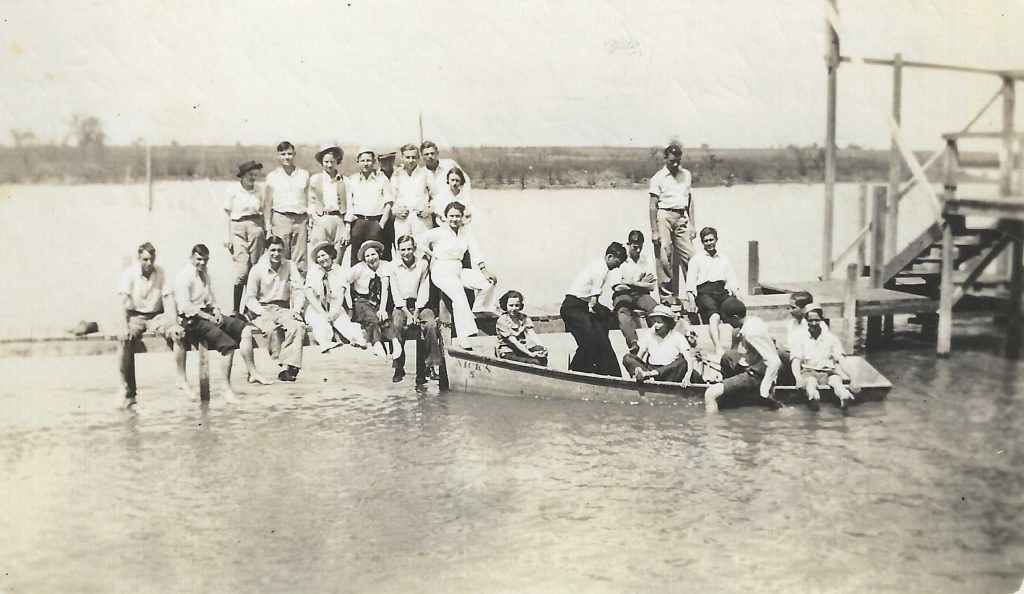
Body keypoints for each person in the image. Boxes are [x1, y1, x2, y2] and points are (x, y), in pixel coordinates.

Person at [175, 244, 268, 403]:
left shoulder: (205, 275)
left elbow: (211, 300)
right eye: (199, 259)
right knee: (228, 345)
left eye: (205, 260)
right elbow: (185, 307)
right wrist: (208, 317)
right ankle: (225, 389)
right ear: (191, 258)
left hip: (207, 314)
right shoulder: (184, 277)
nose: (202, 263)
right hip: (191, 320)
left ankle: (252, 372)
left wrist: (216, 311)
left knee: (244, 329)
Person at [116, 242, 187, 407]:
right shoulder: (129, 274)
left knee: (178, 333)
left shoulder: (161, 272)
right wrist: (123, 327)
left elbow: (168, 299)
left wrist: (174, 324)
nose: (149, 263)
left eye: (151, 259)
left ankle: (181, 379)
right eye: (145, 260)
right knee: (124, 341)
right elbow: (122, 302)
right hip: (135, 317)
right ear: (139, 258)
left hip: (156, 316)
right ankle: (125, 387)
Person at [421, 201, 498, 350]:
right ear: (445, 217)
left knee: (487, 283)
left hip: (458, 269)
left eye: (457, 216)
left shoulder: (466, 232)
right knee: (459, 297)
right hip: (441, 270)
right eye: (451, 216)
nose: (454, 219)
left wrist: (484, 270)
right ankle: (464, 337)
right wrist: (431, 255)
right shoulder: (439, 232)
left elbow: (476, 251)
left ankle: (477, 310)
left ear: (462, 217)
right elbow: (419, 241)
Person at [243, 236, 306, 382]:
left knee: (298, 326)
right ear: (266, 251)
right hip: (263, 307)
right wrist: (261, 312)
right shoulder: (257, 269)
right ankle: (285, 365)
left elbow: (299, 289)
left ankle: (289, 366)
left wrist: (296, 310)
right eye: (272, 250)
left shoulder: (289, 265)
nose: (276, 254)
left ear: (283, 251)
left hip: (283, 307)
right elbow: (250, 298)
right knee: (271, 329)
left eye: (279, 250)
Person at [704, 297, 782, 413]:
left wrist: (764, 390)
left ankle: (712, 428)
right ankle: (728, 389)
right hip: (753, 364)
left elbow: (774, 362)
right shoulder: (754, 321)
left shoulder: (751, 333)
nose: (725, 323)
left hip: (756, 375)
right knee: (727, 356)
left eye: (727, 319)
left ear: (735, 317)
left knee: (710, 394)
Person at [560, 242, 627, 376]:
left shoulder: (597, 264)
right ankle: (575, 372)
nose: (618, 266)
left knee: (598, 337)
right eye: (617, 262)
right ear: (609, 256)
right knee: (590, 341)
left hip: (578, 307)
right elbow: (594, 304)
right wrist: (608, 313)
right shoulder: (601, 271)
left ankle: (597, 370)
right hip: (572, 308)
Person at [389, 235, 442, 383]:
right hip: (401, 306)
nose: (406, 252)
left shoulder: (422, 264)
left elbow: (424, 289)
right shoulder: (393, 266)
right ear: (398, 250)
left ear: (414, 248)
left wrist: (417, 312)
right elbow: (395, 293)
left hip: (420, 305)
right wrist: (407, 313)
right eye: (403, 249)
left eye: (409, 249)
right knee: (397, 326)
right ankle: (399, 367)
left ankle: (430, 366)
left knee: (431, 325)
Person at [649, 144, 695, 304]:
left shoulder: (686, 175)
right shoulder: (658, 178)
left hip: (682, 216)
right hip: (664, 216)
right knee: (665, 256)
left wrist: (693, 225)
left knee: (690, 256)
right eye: (672, 161)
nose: (675, 164)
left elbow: (689, 200)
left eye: (678, 161)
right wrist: (654, 231)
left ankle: (694, 294)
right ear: (665, 159)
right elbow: (652, 206)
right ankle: (667, 298)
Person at [790, 304, 858, 411]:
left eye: (816, 320)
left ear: (821, 320)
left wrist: (853, 378)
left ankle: (844, 395)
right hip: (809, 371)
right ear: (806, 321)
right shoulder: (800, 339)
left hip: (828, 372)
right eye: (810, 320)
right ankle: (814, 396)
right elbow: (796, 361)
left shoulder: (831, 338)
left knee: (836, 382)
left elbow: (841, 359)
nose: (813, 323)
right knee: (810, 383)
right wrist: (798, 378)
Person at [304, 242, 369, 353]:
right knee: (319, 323)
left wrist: (332, 314)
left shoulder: (340, 271)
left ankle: (357, 340)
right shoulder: (313, 270)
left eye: (323, 255)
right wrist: (323, 312)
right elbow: (309, 293)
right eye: (318, 257)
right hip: (316, 307)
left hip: (335, 306)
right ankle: (325, 343)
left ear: (330, 255)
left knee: (344, 322)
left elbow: (340, 294)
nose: (321, 259)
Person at [685, 227, 740, 356]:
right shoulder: (696, 259)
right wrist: (691, 301)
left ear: (716, 240)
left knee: (736, 315)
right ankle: (718, 347)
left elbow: (731, 280)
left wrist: (737, 295)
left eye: (711, 240)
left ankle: (734, 350)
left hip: (721, 291)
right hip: (704, 292)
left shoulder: (723, 259)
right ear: (702, 242)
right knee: (714, 316)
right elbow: (691, 283)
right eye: (706, 241)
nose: (709, 243)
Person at [345, 240, 401, 359]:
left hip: (380, 301)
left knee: (385, 318)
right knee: (371, 318)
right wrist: (349, 305)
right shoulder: (359, 268)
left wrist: (382, 308)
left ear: (379, 254)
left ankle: (395, 341)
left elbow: (385, 288)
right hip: (361, 300)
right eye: (367, 256)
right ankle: (377, 344)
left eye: (373, 254)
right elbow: (344, 281)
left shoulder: (385, 265)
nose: (371, 258)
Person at [223, 160, 267, 314]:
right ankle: (235, 310)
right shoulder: (233, 190)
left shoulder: (260, 191)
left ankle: (250, 309)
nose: (253, 177)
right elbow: (227, 215)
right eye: (250, 174)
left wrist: (266, 233)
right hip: (237, 229)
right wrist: (227, 237)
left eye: (256, 175)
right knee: (242, 271)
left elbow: (264, 214)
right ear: (242, 176)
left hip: (255, 228)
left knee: (255, 268)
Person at [263, 141, 311, 274]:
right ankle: (281, 291)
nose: (287, 157)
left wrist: (310, 222)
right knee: (280, 256)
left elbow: (308, 199)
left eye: (289, 154)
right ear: (278, 156)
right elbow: (267, 203)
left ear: (294, 154)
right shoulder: (272, 177)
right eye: (283, 154)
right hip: (280, 219)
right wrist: (268, 228)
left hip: (300, 220)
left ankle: (299, 292)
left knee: (300, 260)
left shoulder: (304, 175)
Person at [621, 305, 697, 386]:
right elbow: (639, 357)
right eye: (654, 322)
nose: (656, 325)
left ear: (667, 323)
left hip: (669, 373)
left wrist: (687, 377)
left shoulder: (677, 337)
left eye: (659, 322)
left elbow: (689, 360)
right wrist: (636, 367)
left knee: (682, 362)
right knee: (628, 357)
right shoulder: (649, 334)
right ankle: (647, 376)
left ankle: (648, 375)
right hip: (650, 369)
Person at [611, 229, 660, 353]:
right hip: (623, 295)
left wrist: (631, 282)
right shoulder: (621, 260)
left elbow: (651, 286)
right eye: (634, 247)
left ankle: (659, 339)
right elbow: (617, 287)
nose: (638, 250)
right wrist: (641, 283)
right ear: (628, 244)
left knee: (655, 309)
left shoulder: (646, 260)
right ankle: (633, 342)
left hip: (641, 295)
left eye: (640, 247)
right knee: (622, 312)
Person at [346, 147, 394, 265]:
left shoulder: (382, 179)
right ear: (358, 162)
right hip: (358, 223)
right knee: (357, 258)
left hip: (375, 223)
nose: (366, 164)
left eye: (368, 160)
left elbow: (388, 203)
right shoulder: (352, 180)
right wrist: (348, 227)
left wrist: (381, 224)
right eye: (363, 161)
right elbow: (349, 205)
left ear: (373, 162)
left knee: (377, 257)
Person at [308, 146, 349, 266]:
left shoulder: (345, 180)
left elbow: (350, 204)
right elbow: (311, 200)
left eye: (332, 161)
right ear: (322, 162)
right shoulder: (315, 179)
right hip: (322, 218)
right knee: (320, 255)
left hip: (339, 219)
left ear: (337, 161)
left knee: (338, 254)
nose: (329, 165)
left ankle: (336, 282)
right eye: (326, 162)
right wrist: (314, 218)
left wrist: (347, 227)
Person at [390, 143, 436, 246]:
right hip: (402, 218)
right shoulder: (396, 174)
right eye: (407, 157)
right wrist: (395, 210)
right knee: (402, 248)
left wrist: (430, 209)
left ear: (418, 158)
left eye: (413, 157)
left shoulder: (426, 174)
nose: (410, 160)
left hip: (421, 218)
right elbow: (392, 198)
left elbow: (435, 196)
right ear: (402, 158)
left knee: (423, 247)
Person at [495, 290, 548, 366]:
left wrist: (544, 347)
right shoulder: (502, 321)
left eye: (517, 305)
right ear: (505, 305)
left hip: (521, 351)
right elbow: (514, 341)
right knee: (535, 362)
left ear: (520, 306)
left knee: (540, 352)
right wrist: (530, 354)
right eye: (511, 305)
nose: (514, 308)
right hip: (508, 352)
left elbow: (532, 334)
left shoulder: (524, 318)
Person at [421, 140, 470, 217]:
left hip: (455, 208)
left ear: (437, 153)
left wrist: (465, 203)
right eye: (426, 154)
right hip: (436, 210)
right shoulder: (422, 173)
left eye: (432, 153)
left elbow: (466, 181)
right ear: (422, 156)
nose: (430, 156)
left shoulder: (449, 164)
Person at [777, 290, 815, 385]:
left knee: (776, 353)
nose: (790, 310)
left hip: (806, 359)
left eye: (793, 308)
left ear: (804, 309)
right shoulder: (792, 324)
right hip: (793, 356)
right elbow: (790, 344)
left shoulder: (812, 324)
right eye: (789, 307)